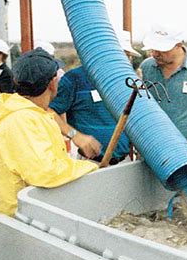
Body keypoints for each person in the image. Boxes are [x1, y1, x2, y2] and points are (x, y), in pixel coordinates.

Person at [0, 48, 99, 216]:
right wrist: (91, 168)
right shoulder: (20, 120)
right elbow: (45, 172)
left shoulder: (33, 113)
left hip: (35, 215)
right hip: (23, 221)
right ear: (52, 83)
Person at [49, 30, 140, 165]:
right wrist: (75, 135)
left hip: (124, 163)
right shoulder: (74, 79)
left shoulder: (128, 81)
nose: (126, 61)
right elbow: (49, 113)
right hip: (89, 165)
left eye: (128, 56)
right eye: (121, 55)